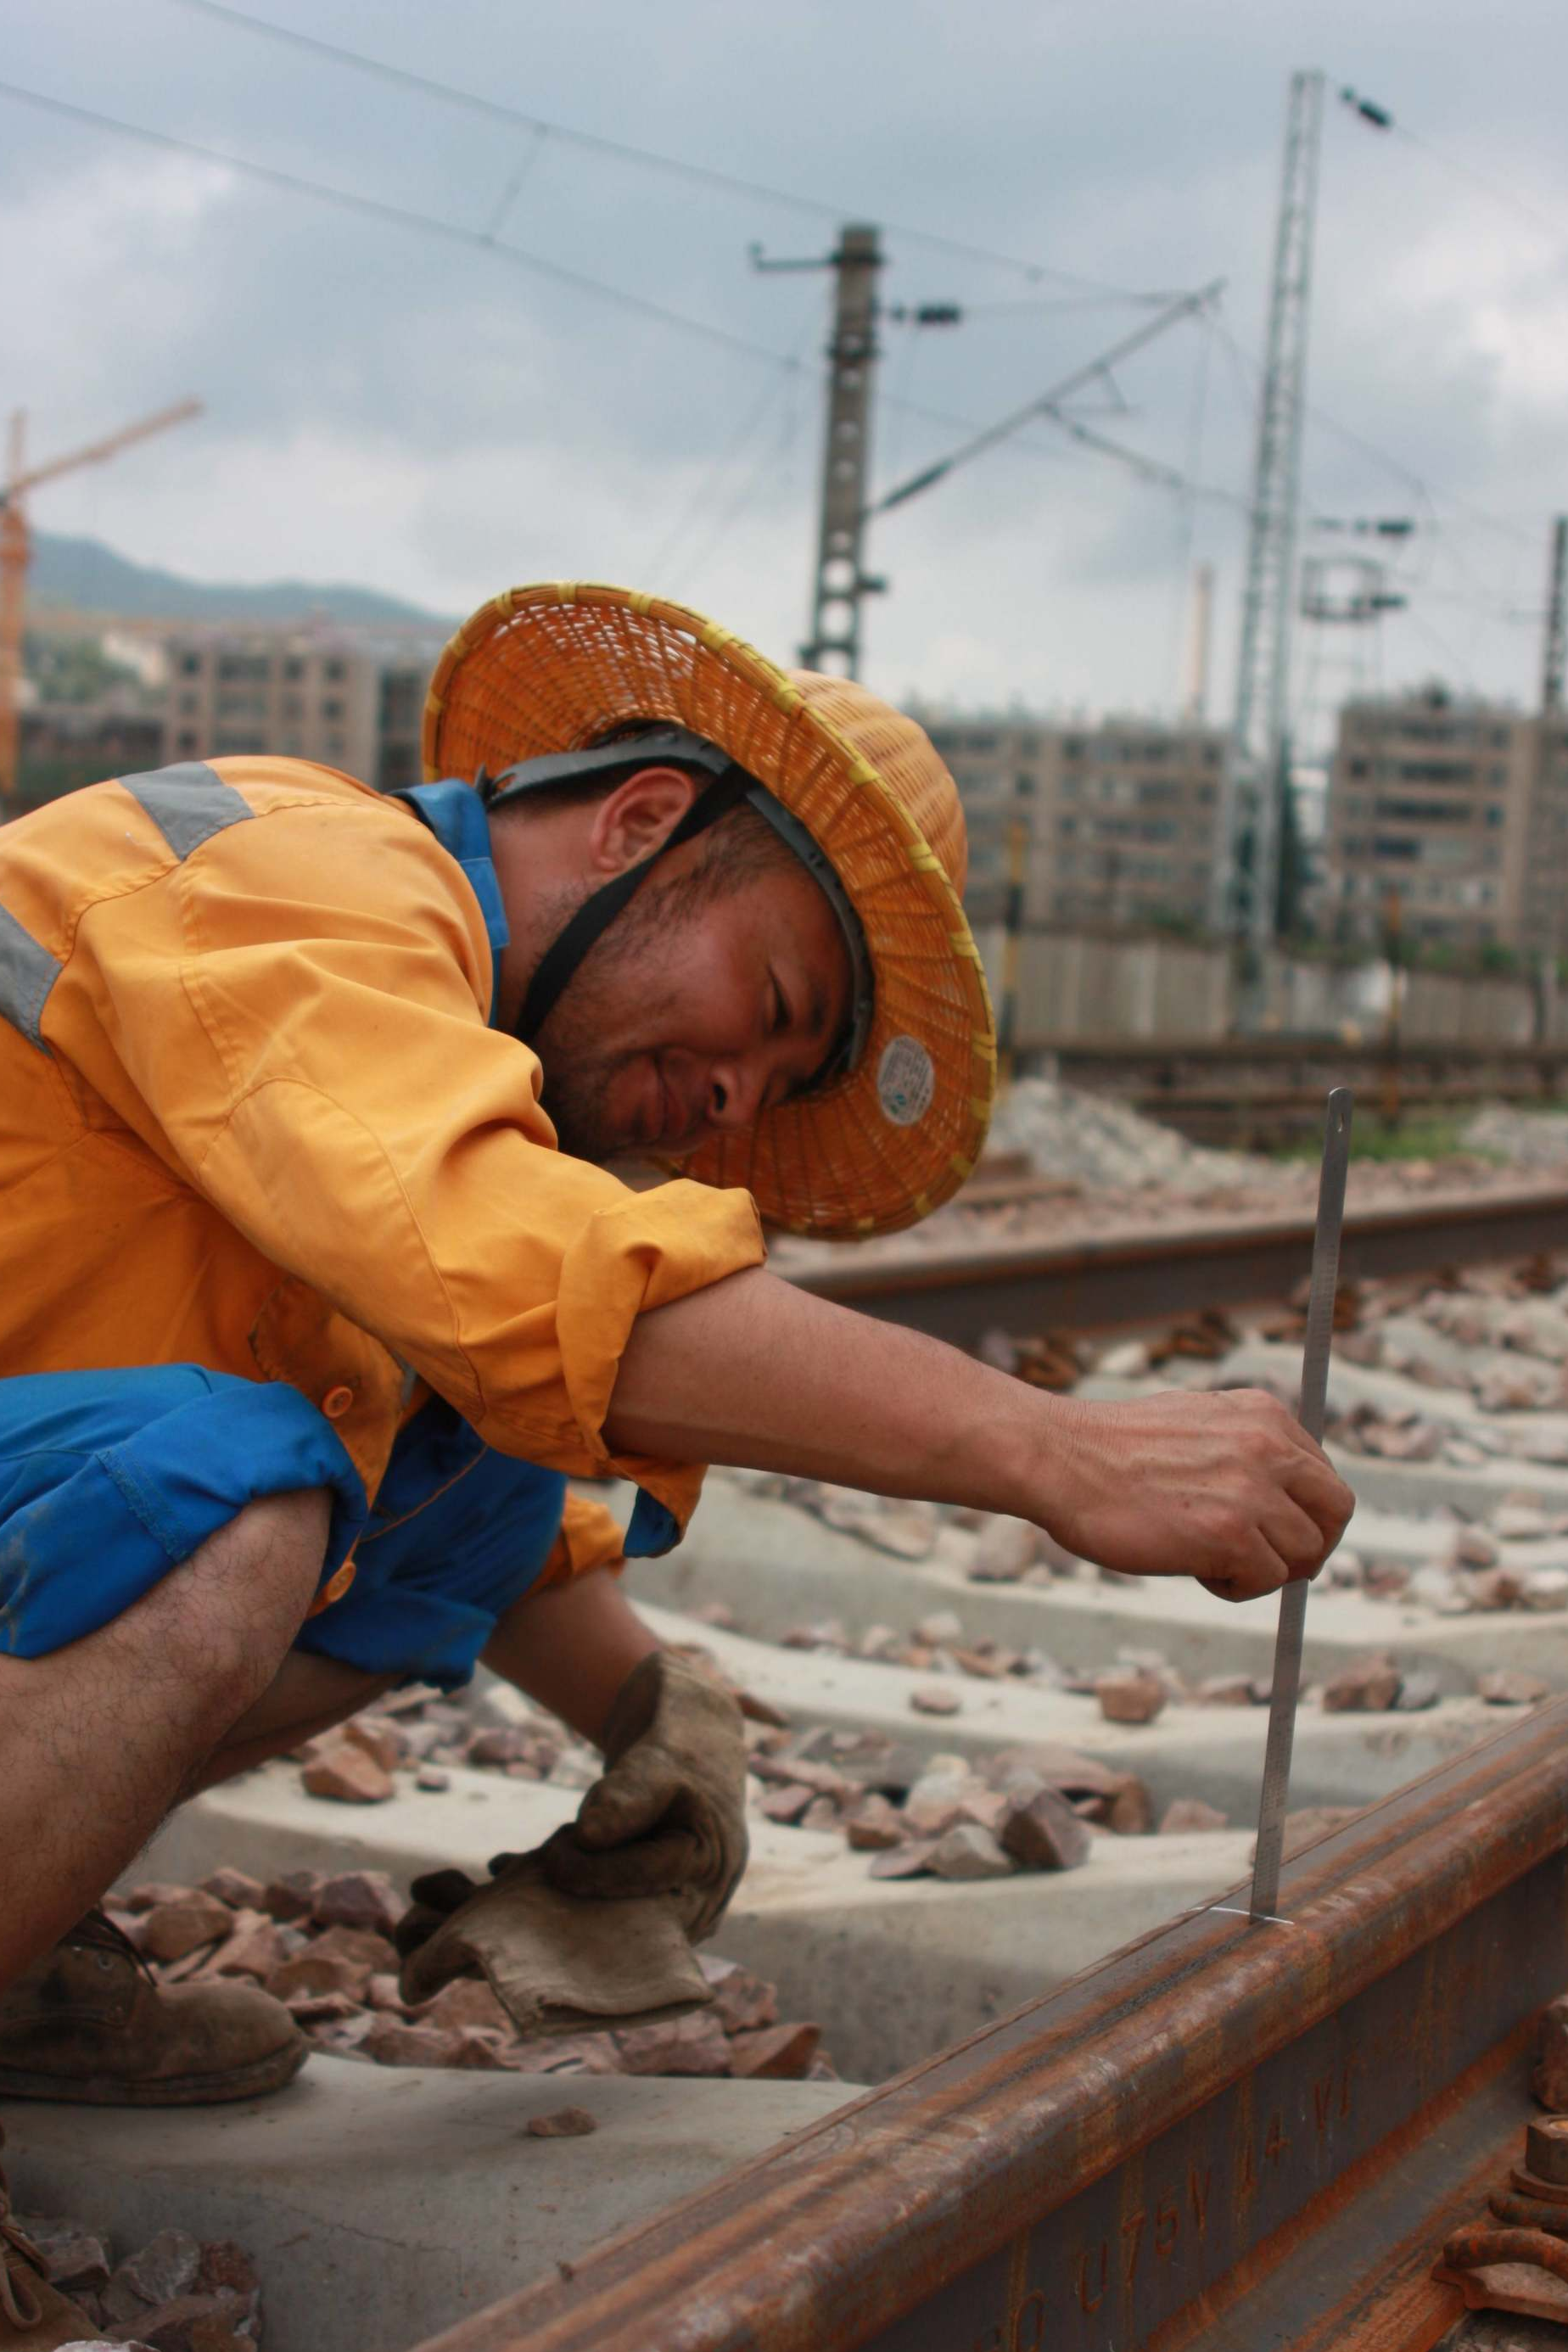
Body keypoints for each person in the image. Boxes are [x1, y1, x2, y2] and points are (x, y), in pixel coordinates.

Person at [0, 581, 1352, 2114]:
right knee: (242, 1512)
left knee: (471, 1485)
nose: (736, 1112)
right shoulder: (301, 873)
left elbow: (484, 1497)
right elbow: (529, 1269)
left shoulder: (449, 1049)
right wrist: (1055, 1448)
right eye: (771, 1007)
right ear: (642, 822)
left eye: (782, 1083)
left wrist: (661, 1716)